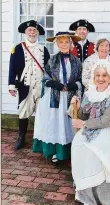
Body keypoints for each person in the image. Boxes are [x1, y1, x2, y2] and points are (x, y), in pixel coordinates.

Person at [71, 60, 110, 205]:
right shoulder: (90, 92)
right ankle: (87, 190)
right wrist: (78, 106)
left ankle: (103, 194)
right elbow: (83, 115)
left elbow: (108, 119)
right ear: (93, 77)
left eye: (104, 75)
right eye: (97, 75)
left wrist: (84, 124)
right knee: (78, 145)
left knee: (97, 149)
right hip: (93, 128)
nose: (100, 78)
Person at [32, 32, 82, 164]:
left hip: (70, 97)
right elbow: (45, 79)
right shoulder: (52, 60)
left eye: (67, 42)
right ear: (57, 44)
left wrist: (74, 85)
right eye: (61, 42)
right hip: (55, 97)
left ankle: (71, 151)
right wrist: (54, 84)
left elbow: (81, 80)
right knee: (56, 123)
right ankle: (55, 152)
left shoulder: (76, 61)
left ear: (70, 44)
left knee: (69, 123)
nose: (64, 45)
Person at [8, 20, 50, 150]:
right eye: (30, 30)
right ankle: (22, 137)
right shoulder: (18, 48)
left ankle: (41, 138)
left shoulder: (43, 49)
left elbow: (48, 68)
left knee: (42, 113)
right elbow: (12, 68)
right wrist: (11, 85)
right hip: (25, 85)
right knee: (23, 112)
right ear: (25, 32)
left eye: (34, 30)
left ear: (37, 33)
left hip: (41, 87)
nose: (32, 33)